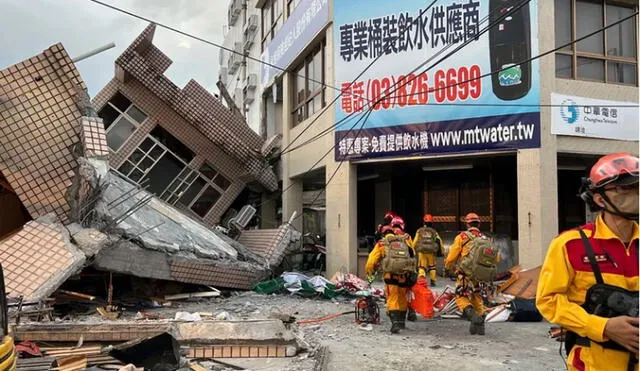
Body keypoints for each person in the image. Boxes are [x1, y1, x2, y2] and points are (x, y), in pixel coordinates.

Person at [536, 152, 639, 371]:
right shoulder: (570, 245)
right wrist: (602, 326)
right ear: (600, 199)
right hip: (594, 363)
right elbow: (548, 300)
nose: (636, 194)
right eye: (625, 188)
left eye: (638, 187)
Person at [366, 223, 416, 334]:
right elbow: (412, 254)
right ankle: (401, 322)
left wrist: (370, 272)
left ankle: (395, 324)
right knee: (402, 297)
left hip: (390, 275)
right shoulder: (404, 241)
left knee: (392, 298)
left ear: (383, 234)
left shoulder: (382, 244)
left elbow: (371, 261)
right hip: (404, 275)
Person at [444, 212, 487, 335]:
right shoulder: (485, 238)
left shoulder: (462, 237)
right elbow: (496, 257)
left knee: (461, 296)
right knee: (477, 297)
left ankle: (473, 317)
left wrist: (448, 267)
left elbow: (452, 257)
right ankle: (480, 327)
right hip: (480, 274)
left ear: (467, 224)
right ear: (478, 223)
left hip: (465, 274)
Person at [413, 214, 444, 287]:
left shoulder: (419, 231)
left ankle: (421, 280)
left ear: (424, 222)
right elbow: (439, 241)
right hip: (431, 252)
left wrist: (412, 249)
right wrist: (442, 250)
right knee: (432, 267)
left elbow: (415, 240)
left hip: (422, 252)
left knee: (422, 267)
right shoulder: (434, 232)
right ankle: (433, 281)